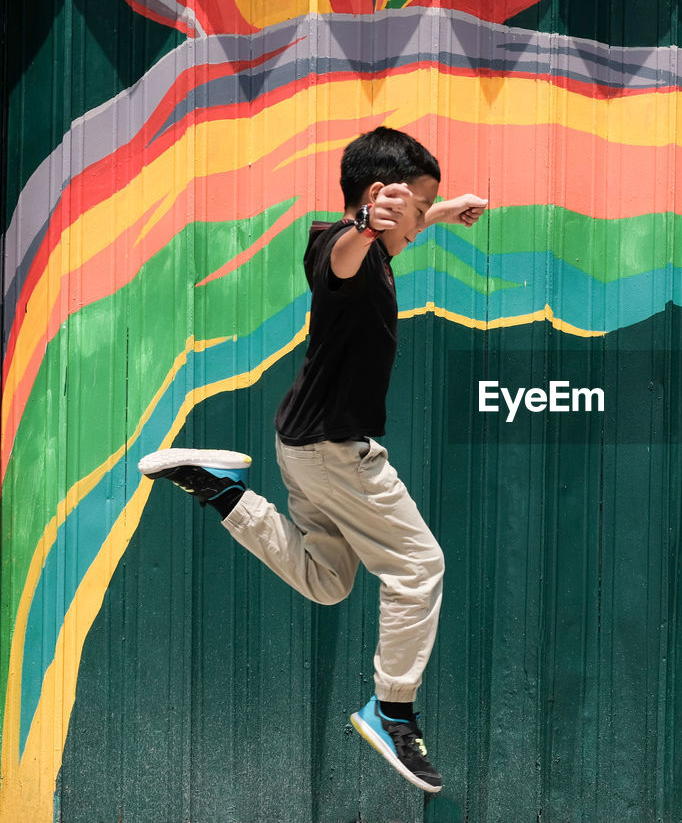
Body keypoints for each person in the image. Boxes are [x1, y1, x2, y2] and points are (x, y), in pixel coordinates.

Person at [138, 126, 487, 793]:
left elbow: (384, 233)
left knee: (329, 580)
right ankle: (393, 711)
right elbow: (348, 250)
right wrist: (366, 220)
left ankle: (222, 491)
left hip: (302, 447)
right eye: (415, 207)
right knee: (419, 566)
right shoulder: (341, 247)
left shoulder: (379, 250)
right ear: (380, 200)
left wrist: (438, 212)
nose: (416, 223)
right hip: (335, 452)